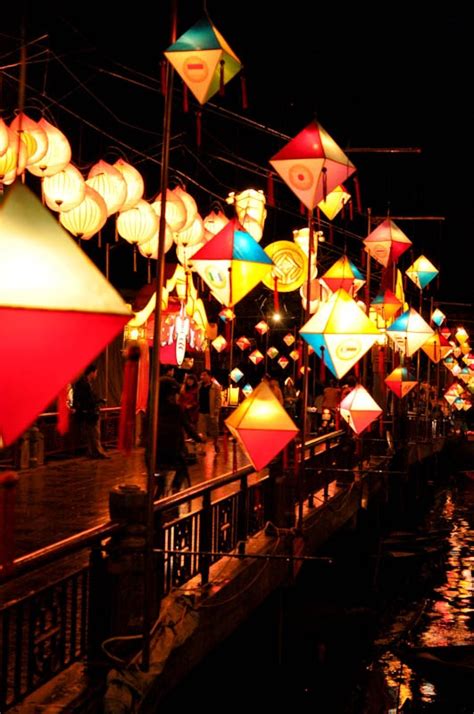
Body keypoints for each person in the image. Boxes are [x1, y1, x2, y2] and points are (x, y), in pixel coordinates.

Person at [156, 378, 203, 496]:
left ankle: (158, 492)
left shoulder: (154, 409)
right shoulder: (176, 410)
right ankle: (176, 490)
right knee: (182, 466)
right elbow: (188, 428)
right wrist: (199, 439)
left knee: (158, 476)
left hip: (155, 451)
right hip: (173, 451)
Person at [72, 363, 109, 459]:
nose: (96, 375)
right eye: (96, 372)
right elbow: (88, 399)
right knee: (95, 433)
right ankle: (97, 452)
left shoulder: (83, 382)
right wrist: (100, 400)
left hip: (86, 411)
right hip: (89, 412)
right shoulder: (84, 383)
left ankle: (93, 452)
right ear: (91, 372)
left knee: (91, 434)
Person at [198, 369, 222, 452]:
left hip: (211, 412)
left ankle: (216, 443)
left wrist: (216, 409)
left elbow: (218, 399)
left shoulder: (215, 387)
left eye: (204, 375)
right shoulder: (199, 385)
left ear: (210, 376)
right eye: (201, 375)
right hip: (201, 411)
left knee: (214, 430)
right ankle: (202, 448)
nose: (202, 377)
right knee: (202, 431)